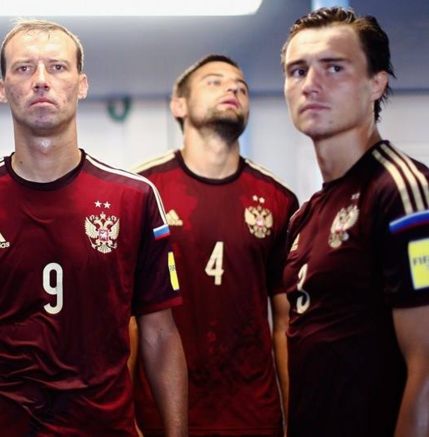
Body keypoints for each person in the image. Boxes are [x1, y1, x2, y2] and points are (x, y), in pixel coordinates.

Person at [0, 19, 187, 437]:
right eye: (23, 68)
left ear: (82, 84)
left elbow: (160, 336)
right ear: (3, 88)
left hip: (101, 427)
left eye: (57, 67)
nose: (40, 80)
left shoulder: (135, 197)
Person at [281, 6, 429, 436]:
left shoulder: (401, 192)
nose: (311, 84)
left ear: (376, 83)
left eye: (334, 68)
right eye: (297, 71)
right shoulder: (305, 217)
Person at [132, 55, 298, 436]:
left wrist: (295, 419)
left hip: (253, 419)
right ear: (179, 105)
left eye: (241, 87)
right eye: (215, 82)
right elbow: (123, 320)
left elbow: (286, 322)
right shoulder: (143, 192)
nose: (232, 90)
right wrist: (126, 420)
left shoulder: (278, 199)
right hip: (164, 417)